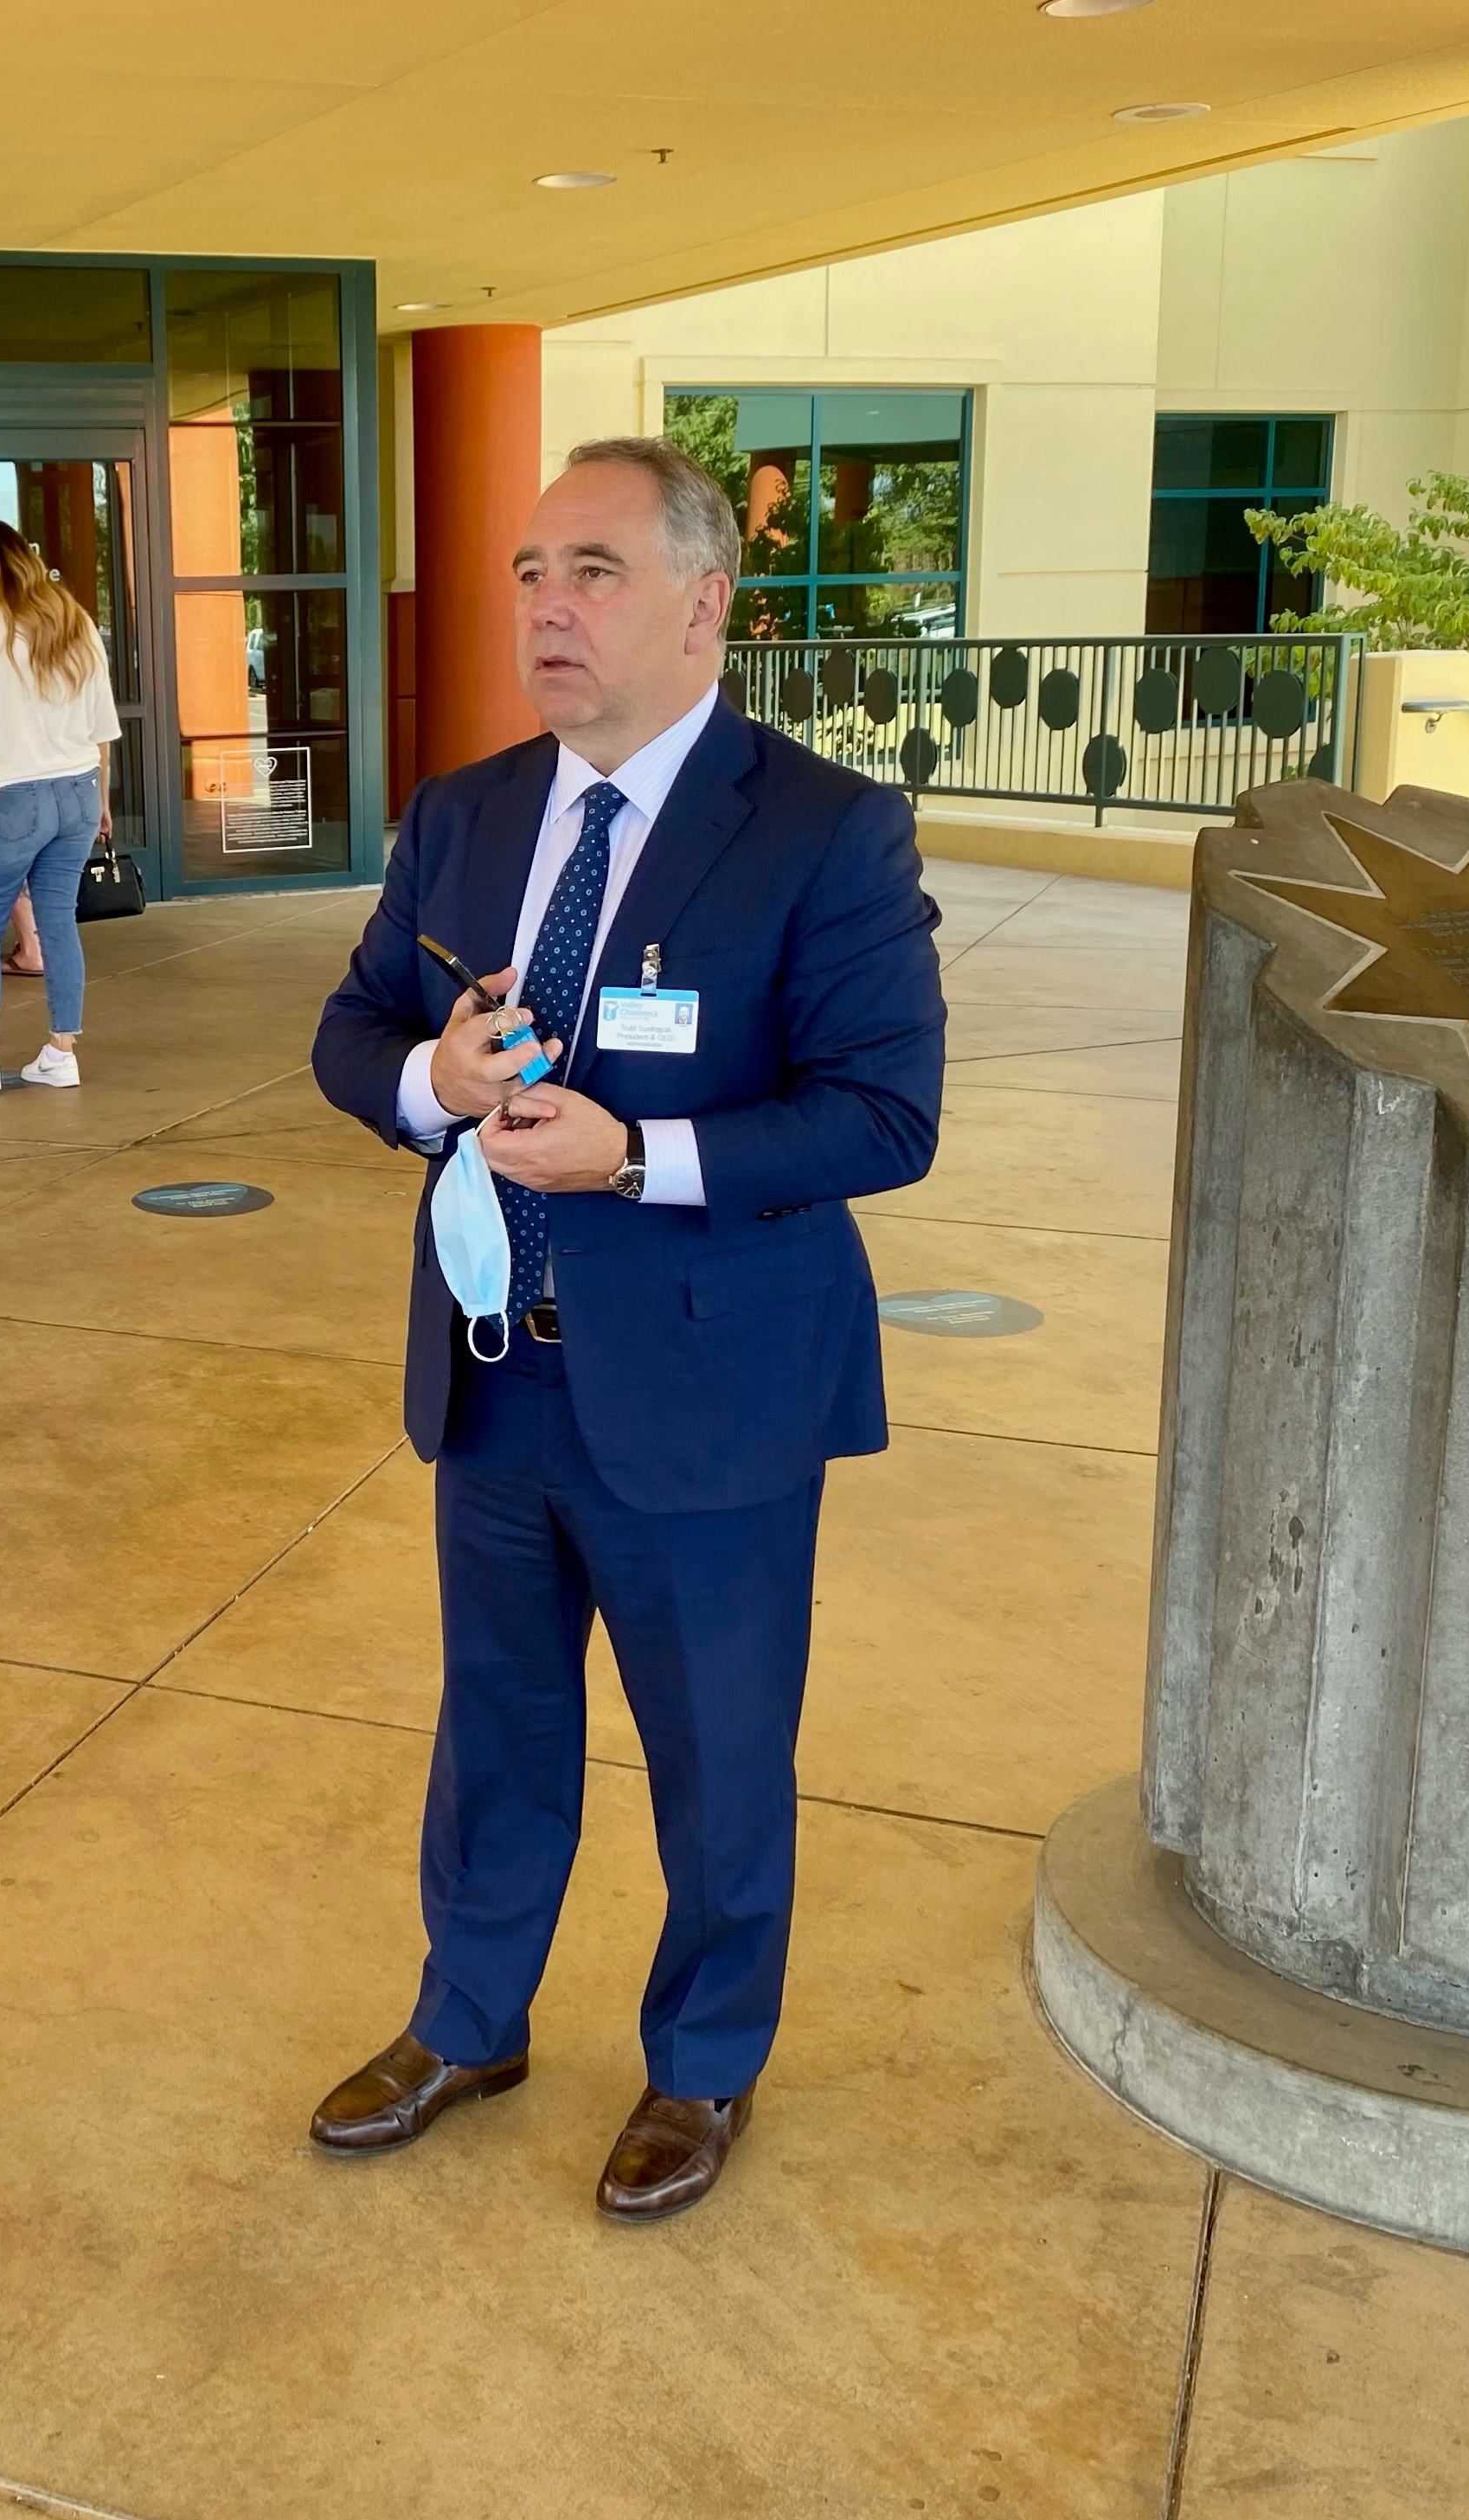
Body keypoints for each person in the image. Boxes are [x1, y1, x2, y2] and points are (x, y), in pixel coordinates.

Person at [305, 436, 946, 2220]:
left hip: (710, 1390)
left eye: (590, 570)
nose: (544, 608)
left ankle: (704, 2062)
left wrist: (639, 1154)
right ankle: (470, 2018)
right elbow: (353, 1033)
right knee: (495, 1724)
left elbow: (886, 1115)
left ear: (701, 601)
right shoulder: (468, 815)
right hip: (497, 1370)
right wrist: (430, 1080)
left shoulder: (823, 830)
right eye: (526, 572)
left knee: (718, 1748)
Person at [0, 519, 117, 1093]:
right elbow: (101, 728)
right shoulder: (74, 619)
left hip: (9, 798)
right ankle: (63, 1052)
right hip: (78, 792)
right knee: (58, 923)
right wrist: (103, 802)